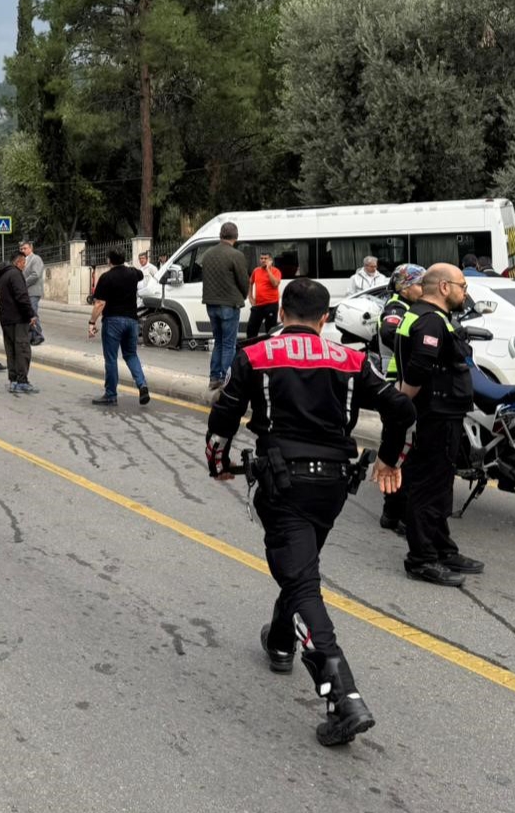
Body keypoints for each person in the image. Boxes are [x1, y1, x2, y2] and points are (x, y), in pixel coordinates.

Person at [206, 278, 415, 746]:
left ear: (281, 313)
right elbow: (401, 408)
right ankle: (281, 641)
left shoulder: (255, 355)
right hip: (333, 486)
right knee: (301, 566)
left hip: (282, 485)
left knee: (301, 580)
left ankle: (344, 696)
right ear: (325, 319)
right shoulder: (351, 359)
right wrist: (390, 459)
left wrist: (218, 462)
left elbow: (224, 415)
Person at [394, 263, 484, 586]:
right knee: (428, 488)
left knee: (440, 485)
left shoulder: (423, 315)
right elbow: (418, 369)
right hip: (434, 416)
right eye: (462, 286)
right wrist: (403, 407)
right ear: (444, 287)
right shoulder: (431, 320)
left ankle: (442, 549)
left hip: (441, 414)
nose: (465, 292)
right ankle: (421, 559)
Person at [375, 263, 425, 537]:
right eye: (419, 284)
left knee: (401, 449)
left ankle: (394, 511)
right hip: (396, 387)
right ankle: (394, 513)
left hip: (402, 387)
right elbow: (388, 332)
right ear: (405, 287)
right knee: (401, 450)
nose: (423, 288)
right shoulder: (396, 308)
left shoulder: (410, 307)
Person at [88, 249, 151, 406]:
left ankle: (111, 395)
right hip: (132, 321)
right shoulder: (133, 273)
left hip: (113, 321)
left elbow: (100, 303)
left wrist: (92, 322)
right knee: (131, 355)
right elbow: (141, 274)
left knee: (111, 358)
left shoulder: (106, 277)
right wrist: (127, 266)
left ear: (109, 260)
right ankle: (142, 385)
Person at [201, 222, 250, 393]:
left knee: (218, 342)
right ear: (236, 237)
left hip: (211, 304)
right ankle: (225, 379)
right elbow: (243, 281)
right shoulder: (236, 255)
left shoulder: (207, 254)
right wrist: (244, 295)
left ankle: (214, 378)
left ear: (220, 235)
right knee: (229, 344)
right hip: (229, 303)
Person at [0, 250, 38, 394]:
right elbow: (22, 296)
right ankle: (22, 382)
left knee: (11, 350)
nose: (24, 266)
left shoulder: (2, 275)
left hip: (6, 319)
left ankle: (13, 380)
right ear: (19, 261)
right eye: (24, 263)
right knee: (22, 350)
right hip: (18, 320)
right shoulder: (15, 274)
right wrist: (31, 314)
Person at [247, 252, 282, 339]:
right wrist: (250, 297)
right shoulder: (256, 271)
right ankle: (251, 346)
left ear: (270, 260)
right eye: (261, 258)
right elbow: (250, 283)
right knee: (251, 329)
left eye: (265, 258)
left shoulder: (276, 271)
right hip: (258, 304)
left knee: (270, 330)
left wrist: (268, 269)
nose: (263, 260)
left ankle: (270, 345)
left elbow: (275, 284)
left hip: (271, 304)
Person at [21, 241, 46, 345]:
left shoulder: (36, 259)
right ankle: (31, 336)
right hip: (27, 292)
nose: (23, 250)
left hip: (33, 291)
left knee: (32, 313)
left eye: (25, 248)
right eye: (21, 249)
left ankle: (39, 335)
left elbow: (35, 275)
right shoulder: (24, 260)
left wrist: (23, 283)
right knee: (29, 313)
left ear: (31, 248)